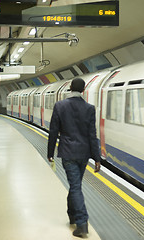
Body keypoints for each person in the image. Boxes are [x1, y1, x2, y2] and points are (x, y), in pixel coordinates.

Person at [47, 78, 101, 238]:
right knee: (75, 184)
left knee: (75, 186)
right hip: (84, 154)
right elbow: (92, 135)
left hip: (68, 153)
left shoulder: (60, 106)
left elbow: (53, 131)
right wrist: (97, 158)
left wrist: (50, 152)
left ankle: (82, 224)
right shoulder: (90, 109)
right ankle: (72, 215)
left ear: (70, 88)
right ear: (83, 90)